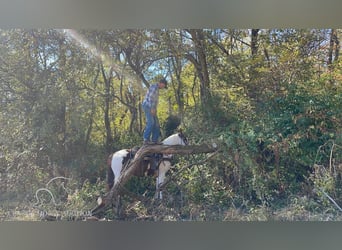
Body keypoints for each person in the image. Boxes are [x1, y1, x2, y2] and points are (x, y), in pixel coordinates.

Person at [142, 78, 168, 145]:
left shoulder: (157, 89)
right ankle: (146, 139)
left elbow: (155, 101)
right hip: (148, 106)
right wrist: (152, 108)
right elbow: (150, 98)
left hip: (152, 107)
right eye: (163, 86)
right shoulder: (154, 87)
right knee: (151, 122)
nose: (163, 87)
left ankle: (154, 140)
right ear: (161, 83)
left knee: (156, 124)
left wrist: (155, 109)